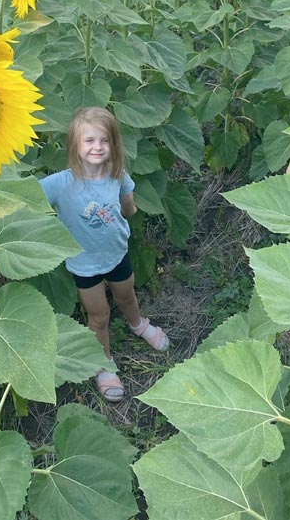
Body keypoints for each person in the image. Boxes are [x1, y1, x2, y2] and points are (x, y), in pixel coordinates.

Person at [39, 106, 169, 403]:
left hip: (117, 252)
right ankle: (104, 364)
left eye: (103, 140)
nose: (97, 147)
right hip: (84, 265)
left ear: (114, 144)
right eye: (89, 141)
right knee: (98, 315)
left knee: (126, 295)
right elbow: (28, 196)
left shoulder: (117, 175)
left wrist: (126, 213)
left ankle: (138, 325)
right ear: (75, 145)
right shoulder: (60, 183)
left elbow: (128, 205)